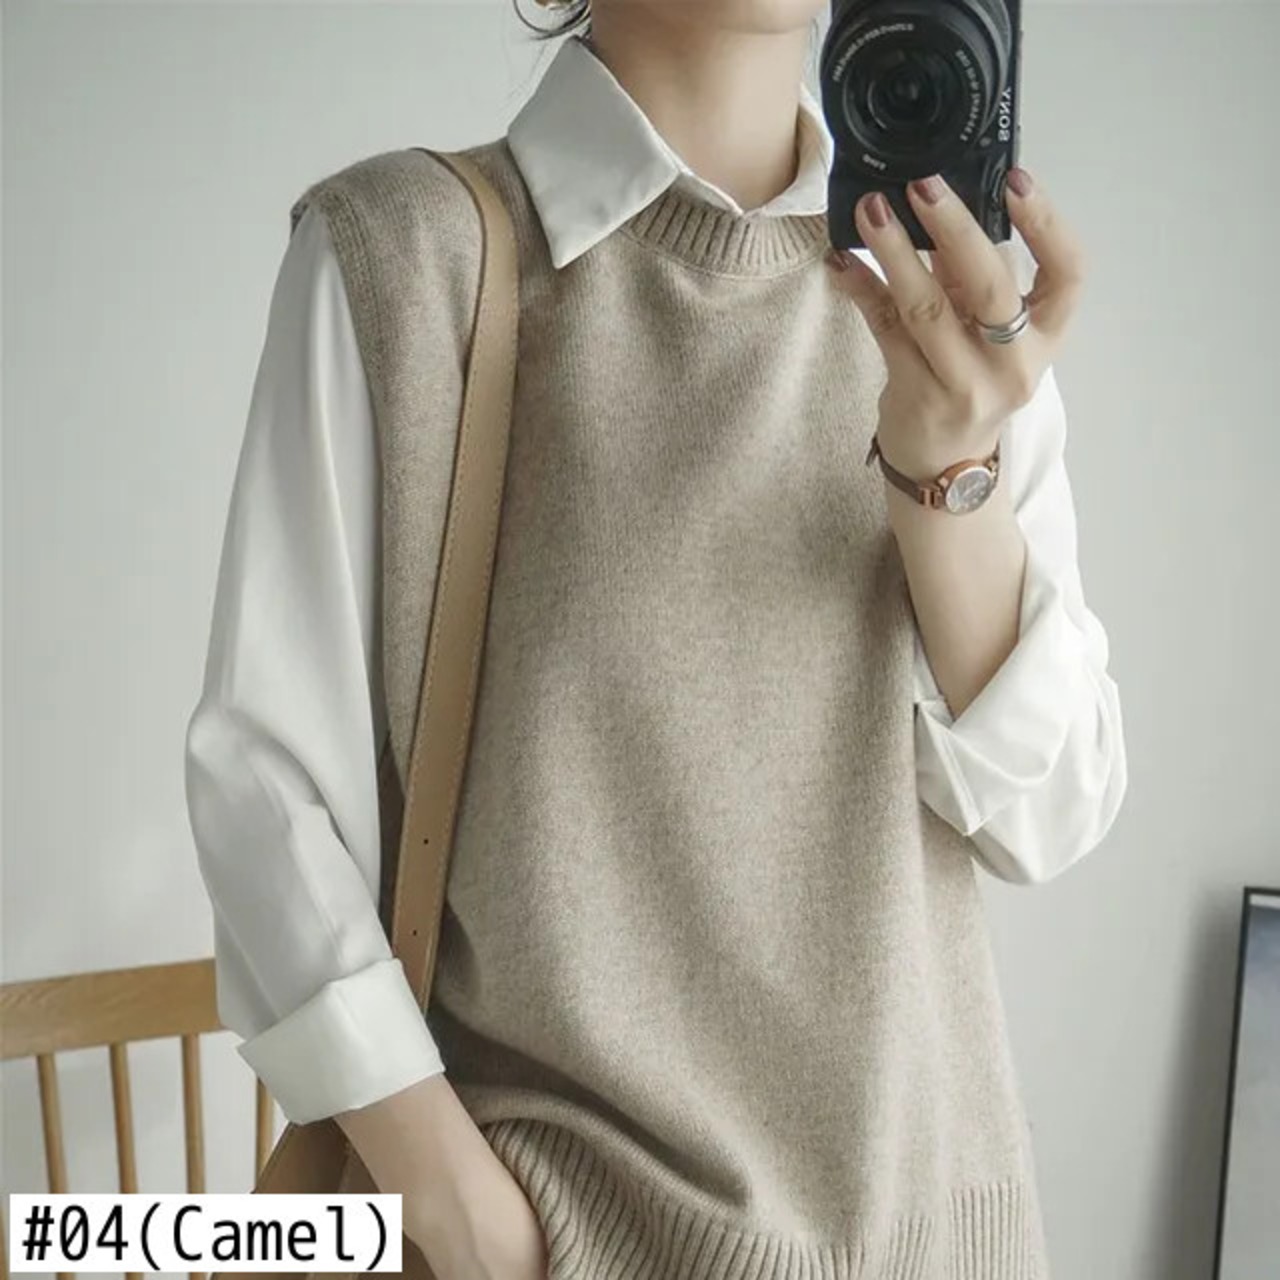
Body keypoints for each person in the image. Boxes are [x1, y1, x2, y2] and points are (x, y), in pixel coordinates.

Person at [183, 1, 1129, 1277]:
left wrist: (944, 471)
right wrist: (472, 1221)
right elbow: (266, 784)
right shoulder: (407, 257)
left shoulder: (946, 300)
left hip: (941, 1231)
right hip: (580, 1233)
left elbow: (1046, 816)